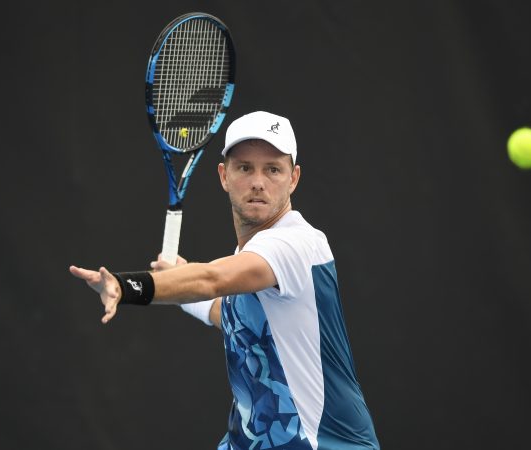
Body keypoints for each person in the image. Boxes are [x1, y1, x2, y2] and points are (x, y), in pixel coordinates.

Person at [70, 111, 380, 450]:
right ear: (224, 176)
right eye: (245, 168)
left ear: (293, 178)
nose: (258, 182)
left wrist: (127, 286)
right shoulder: (250, 255)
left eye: (273, 169)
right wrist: (180, 282)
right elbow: (233, 316)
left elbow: (212, 279)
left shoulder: (296, 243)